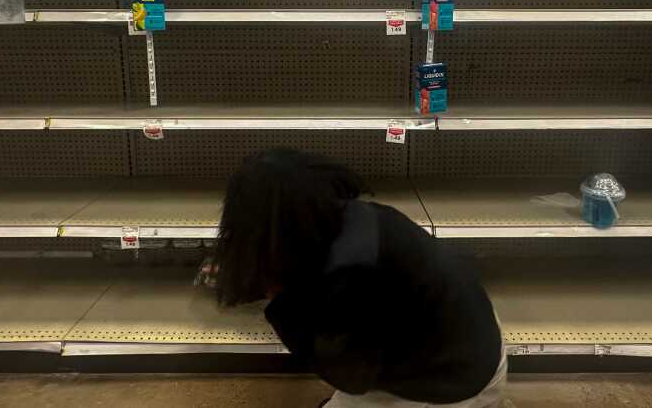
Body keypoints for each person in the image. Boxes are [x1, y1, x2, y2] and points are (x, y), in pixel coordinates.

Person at [215, 148, 508, 408]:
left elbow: (348, 377)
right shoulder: (352, 217)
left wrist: (278, 298)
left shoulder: (350, 278)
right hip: (467, 342)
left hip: (453, 383)